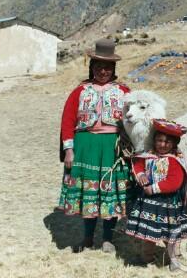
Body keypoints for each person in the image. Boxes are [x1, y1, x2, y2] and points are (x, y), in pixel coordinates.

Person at [58, 38, 132, 254]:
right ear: (92, 67)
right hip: (85, 146)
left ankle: (108, 238)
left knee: (108, 192)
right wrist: (69, 149)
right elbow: (67, 120)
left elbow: (133, 121)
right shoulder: (80, 91)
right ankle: (88, 236)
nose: (103, 71)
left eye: (107, 67)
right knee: (87, 193)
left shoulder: (124, 92)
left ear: (113, 68)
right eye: (99, 66)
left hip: (113, 147)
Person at [125, 119, 187, 271]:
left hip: (167, 204)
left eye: (167, 142)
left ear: (174, 143)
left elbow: (174, 182)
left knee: (170, 235)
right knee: (148, 233)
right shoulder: (149, 156)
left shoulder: (175, 161)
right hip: (148, 203)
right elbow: (138, 165)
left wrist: (154, 188)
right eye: (159, 140)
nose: (162, 145)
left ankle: (174, 259)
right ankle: (147, 258)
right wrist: (141, 175)